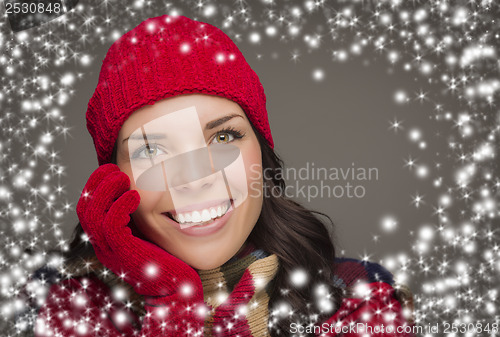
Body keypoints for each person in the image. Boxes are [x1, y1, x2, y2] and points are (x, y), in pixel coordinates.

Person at [29, 15, 415, 337]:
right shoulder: (72, 308)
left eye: (223, 137)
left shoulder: (358, 296)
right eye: (150, 150)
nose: (195, 178)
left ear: (261, 155)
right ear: (113, 179)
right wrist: (171, 303)